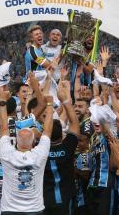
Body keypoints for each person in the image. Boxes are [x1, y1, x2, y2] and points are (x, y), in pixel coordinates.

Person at [0, 91, 54, 214]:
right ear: (34, 142)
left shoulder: (7, 153)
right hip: (34, 210)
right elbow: (47, 131)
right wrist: (49, 104)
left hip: (9, 210)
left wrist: (2, 102)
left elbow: (3, 129)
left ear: (16, 142)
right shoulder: (40, 154)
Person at [44, 81, 79, 214]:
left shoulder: (39, 150)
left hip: (45, 200)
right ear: (62, 135)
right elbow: (75, 124)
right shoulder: (68, 145)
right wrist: (65, 100)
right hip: (66, 198)